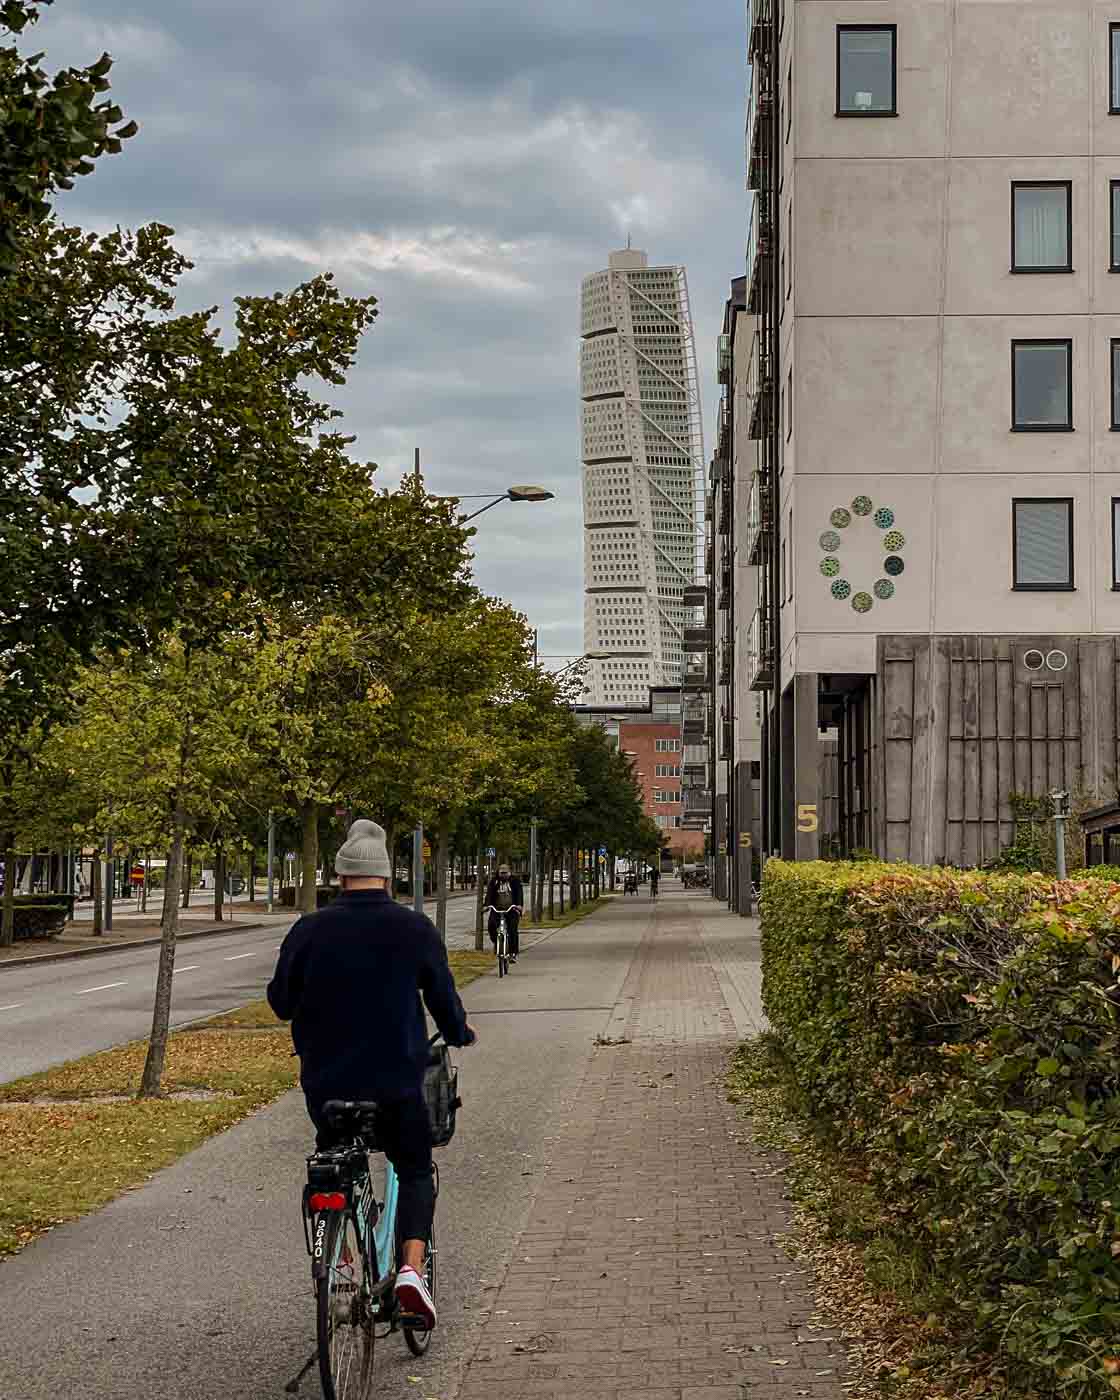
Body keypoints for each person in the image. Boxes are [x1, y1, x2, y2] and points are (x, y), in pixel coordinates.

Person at [267, 818, 476, 1332]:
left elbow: (280, 1002)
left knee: (335, 1158)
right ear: (387, 877)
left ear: (340, 877)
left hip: (328, 1086)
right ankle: (410, 1270)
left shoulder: (308, 930)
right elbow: (444, 1002)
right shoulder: (414, 930)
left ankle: (340, 1258)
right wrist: (459, 1032)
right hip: (397, 1085)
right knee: (413, 1167)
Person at [485, 863, 523, 962]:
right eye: (501, 873)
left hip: (511, 909)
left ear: (509, 872)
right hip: (497, 909)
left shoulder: (515, 881)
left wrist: (519, 905)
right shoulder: (494, 881)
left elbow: (519, 893)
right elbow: (489, 894)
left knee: (512, 930)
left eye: (505, 873)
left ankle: (512, 953)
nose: (503, 875)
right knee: (491, 927)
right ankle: (497, 943)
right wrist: (487, 905)